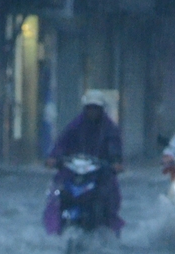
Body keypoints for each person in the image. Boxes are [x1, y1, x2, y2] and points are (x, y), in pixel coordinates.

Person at [43, 90, 124, 236]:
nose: (92, 112)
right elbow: (62, 143)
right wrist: (54, 158)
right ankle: (55, 227)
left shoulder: (109, 129)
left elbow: (115, 149)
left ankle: (108, 226)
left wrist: (115, 162)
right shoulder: (75, 126)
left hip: (100, 174)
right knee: (57, 193)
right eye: (89, 108)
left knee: (109, 194)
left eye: (96, 108)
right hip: (75, 171)